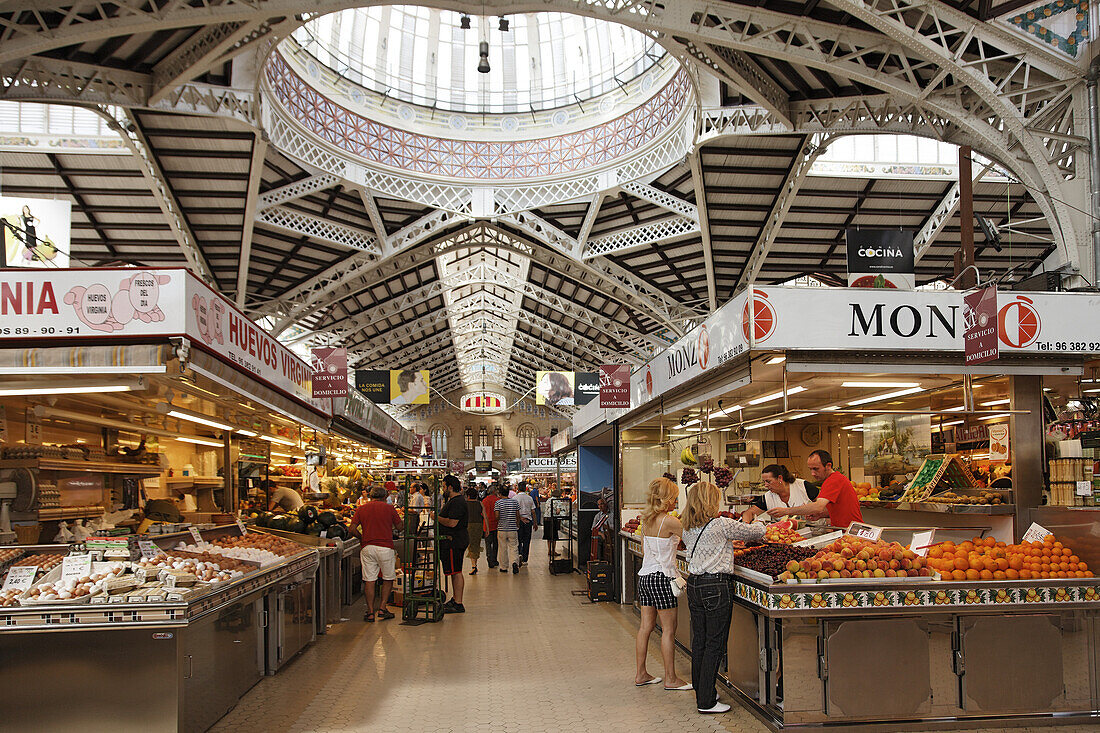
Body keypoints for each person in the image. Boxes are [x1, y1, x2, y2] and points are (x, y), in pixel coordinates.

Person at [682, 481, 767, 714]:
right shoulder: (720, 524)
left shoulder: (687, 526)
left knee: (699, 642)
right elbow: (756, 532)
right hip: (716, 586)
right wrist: (758, 520)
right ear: (711, 501)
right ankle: (706, 702)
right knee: (715, 644)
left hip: (695, 584)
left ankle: (704, 691)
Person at [634, 476, 690, 691]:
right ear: (667, 498)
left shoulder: (645, 519)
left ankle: (641, 674)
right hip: (663, 577)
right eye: (674, 497)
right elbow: (691, 538)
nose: (675, 501)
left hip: (645, 576)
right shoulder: (669, 521)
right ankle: (671, 678)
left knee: (645, 627)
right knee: (668, 629)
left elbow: (645, 548)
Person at [767, 449, 863, 528]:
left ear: (828, 466)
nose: (812, 473)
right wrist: (822, 515)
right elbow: (841, 509)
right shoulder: (833, 479)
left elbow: (818, 506)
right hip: (846, 529)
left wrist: (786, 511)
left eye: (816, 469)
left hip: (850, 531)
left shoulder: (834, 480)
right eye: (810, 469)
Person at [350, 485, 403, 622]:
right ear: (385, 497)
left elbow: (352, 529)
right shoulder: (389, 508)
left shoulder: (361, 508)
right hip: (385, 547)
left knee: (369, 579)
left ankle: (370, 612)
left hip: (368, 547)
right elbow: (400, 527)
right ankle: (382, 608)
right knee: (388, 578)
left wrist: (362, 538)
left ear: (371, 496)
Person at [740, 464, 818, 523]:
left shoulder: (803, 486)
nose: (766, 485)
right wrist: (745, 526)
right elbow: (749, 513)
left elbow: (823, 505)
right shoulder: (768, 497)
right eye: (764, 482)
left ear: (780, 478)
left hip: (815, 531)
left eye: (768, 481)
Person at [436, 475, 469, 613]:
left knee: (456, 572)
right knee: (454, 571)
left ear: (450, 487)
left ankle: (458, 602)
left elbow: (452, 523)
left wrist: (436, 517)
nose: (443, 489)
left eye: (444, 486)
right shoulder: (454, 501)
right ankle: (455, 599)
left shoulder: (457, 502)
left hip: (454, 541)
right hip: (452, 541)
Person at [494, 485, 521, 574]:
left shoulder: (498, 503)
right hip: (513, 528)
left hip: (502, 529)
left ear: (500, 494)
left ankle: (504, 567)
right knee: (514, 547)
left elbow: (497, 516)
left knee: (502, 548)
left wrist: (499, 519)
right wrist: (517, 524)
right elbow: (518, 515)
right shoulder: (514, 502)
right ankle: (514, 563)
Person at [514, 480, 537, 565]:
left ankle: (519, 554)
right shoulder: (529, 498)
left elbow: (514, 511)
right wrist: (535, 523)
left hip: (518, 521)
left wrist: (520, 518)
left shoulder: (515, 498)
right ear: (525, 488)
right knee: (527, 540)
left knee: (518, 539)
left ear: (518, 488)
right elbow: (533, 511)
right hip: (528, 521)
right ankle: (525, 560)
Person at [465, 487, 485, 575]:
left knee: (471, 545)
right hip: (479, 525)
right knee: (476, 544)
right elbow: (485, 516)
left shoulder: (465, 504)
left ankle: (474, 566)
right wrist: (486, 528)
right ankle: (474, 565)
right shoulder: (480, 503)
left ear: (468, 496)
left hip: (468, 525)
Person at [482, 486, 500, 569]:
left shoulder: (484, 501)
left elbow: (482, 514)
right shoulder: (498, 500)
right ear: (494, 491)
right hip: (496, 525)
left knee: (488, 543)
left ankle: (489, 557)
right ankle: (494, 559)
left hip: (487, 525)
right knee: (495, 543)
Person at [545, 488, 563, 558]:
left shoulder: (548, 500)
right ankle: (553, 551)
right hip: (553, 519)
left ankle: (549, 550)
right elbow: (558, 511)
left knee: (548, 536)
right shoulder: (557, 501)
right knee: (554, 536)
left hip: (546, 519)